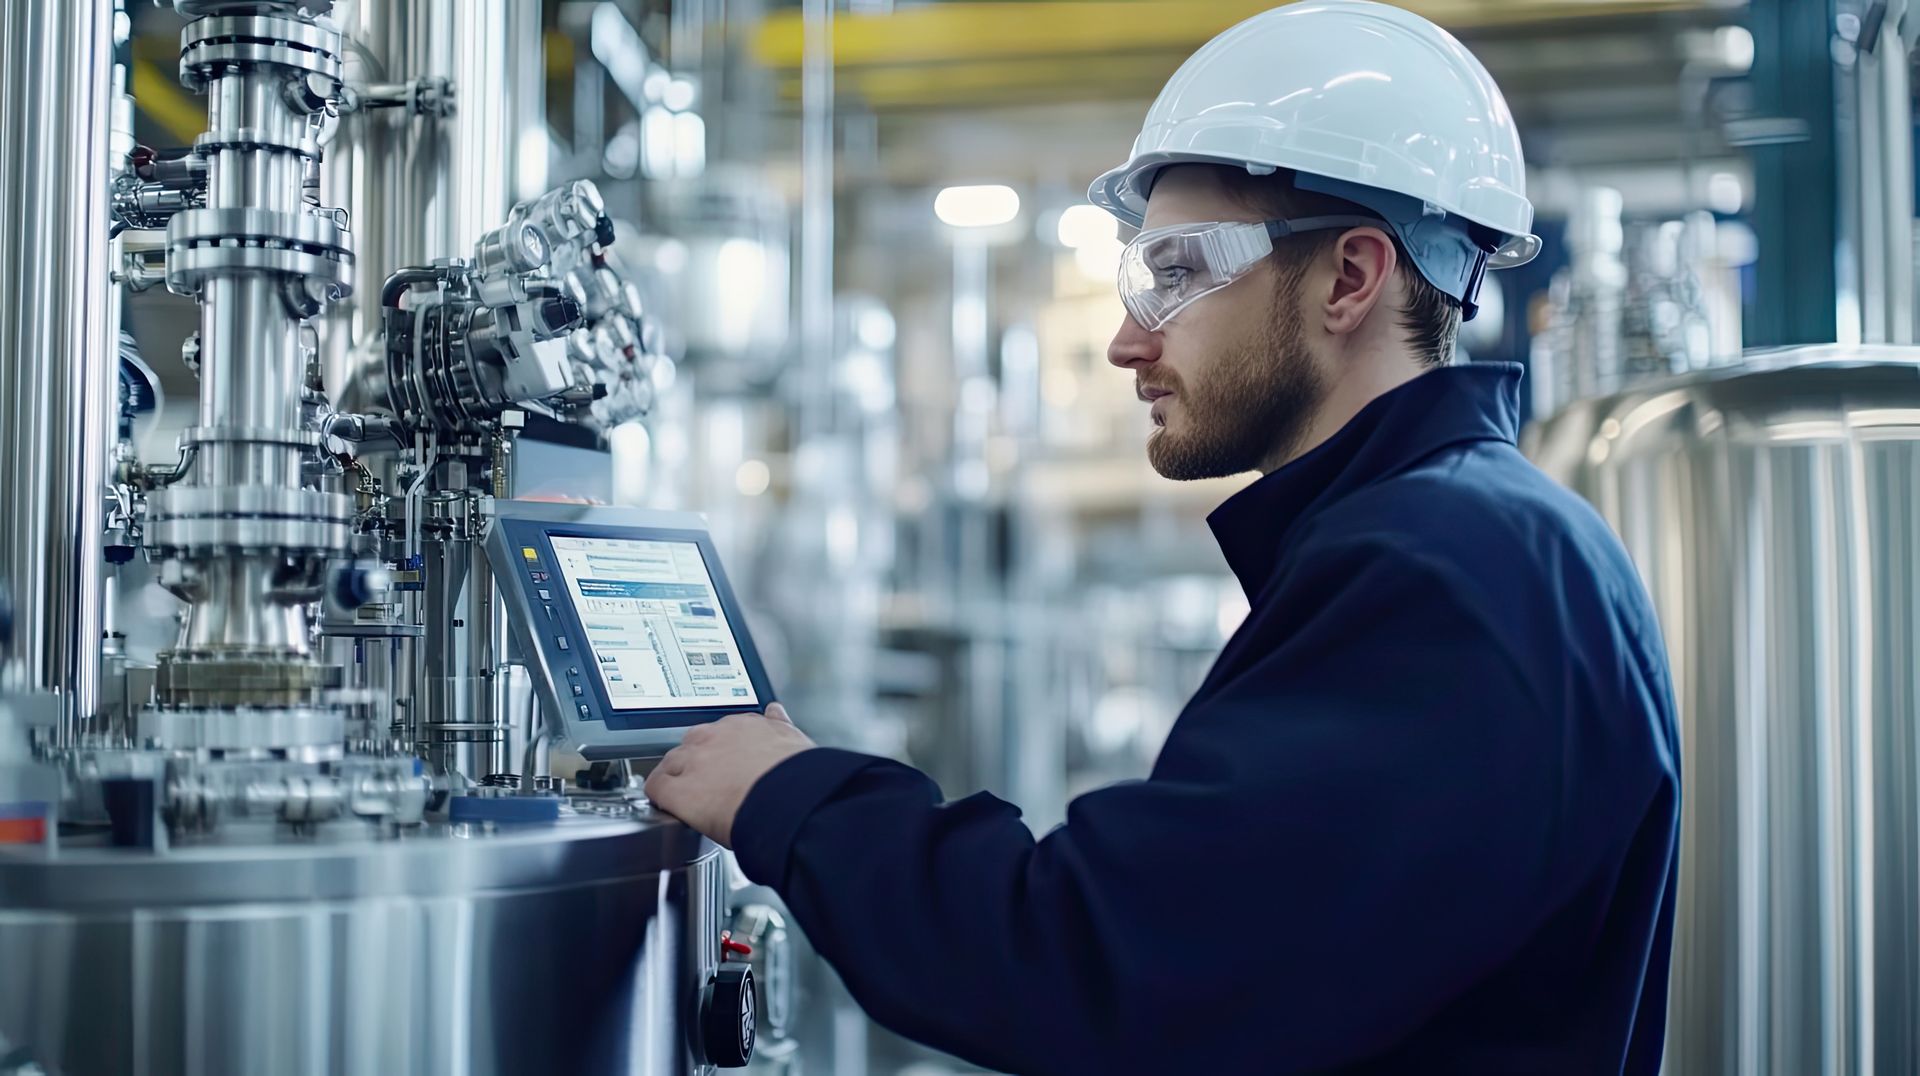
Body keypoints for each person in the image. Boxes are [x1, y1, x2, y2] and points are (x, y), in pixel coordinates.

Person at [645, 3, 1681, 1072]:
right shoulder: (1496, 537)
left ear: (1351, 277)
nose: (1125, 339)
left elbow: (1096, 968)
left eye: (1178, 274)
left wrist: (788, 794)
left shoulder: (1443, 575)